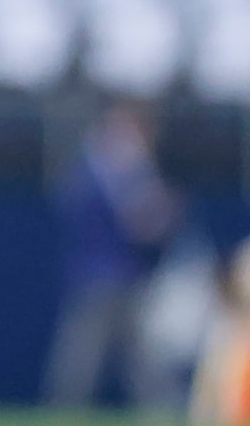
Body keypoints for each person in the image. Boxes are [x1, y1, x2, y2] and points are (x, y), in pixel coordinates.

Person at [43, 99, 178, 407]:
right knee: (85, 353)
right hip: (100, 275)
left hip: (125, 273)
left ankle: (161, 411)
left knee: (141, 354)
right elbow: (136, 222)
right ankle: (67, 410)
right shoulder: (101, 171)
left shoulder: (125, 170)